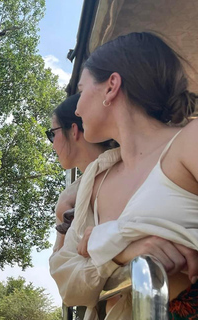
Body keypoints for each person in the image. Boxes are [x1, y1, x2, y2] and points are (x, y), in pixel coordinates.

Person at [50, 32, 198, 320]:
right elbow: (66, 281)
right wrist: (121, 250)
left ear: (111, 87)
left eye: (81, 91)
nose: (77, 109)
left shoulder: (190, 140)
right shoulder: (96, 180)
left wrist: (103, 242)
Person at [47, 93, 111, 253]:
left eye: (53, 134)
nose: (53, 145)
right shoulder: (70, 196)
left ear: (74, 130)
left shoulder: (118, 179)